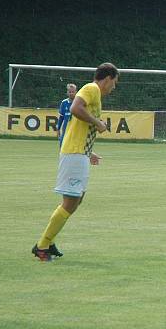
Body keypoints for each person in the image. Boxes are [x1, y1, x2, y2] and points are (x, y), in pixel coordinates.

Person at [32, 63, 119, 262]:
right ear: (107, 78)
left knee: (77, 200)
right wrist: (98, 123)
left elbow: (78, 127)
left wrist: (90, 152)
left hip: (79, 153)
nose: (113, 88)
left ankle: (48, 240)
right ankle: (42, 246)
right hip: (74, 154)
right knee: (70, 202)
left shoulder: (95, 93)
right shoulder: (92, 88)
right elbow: (75, 108)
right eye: (114, 83)